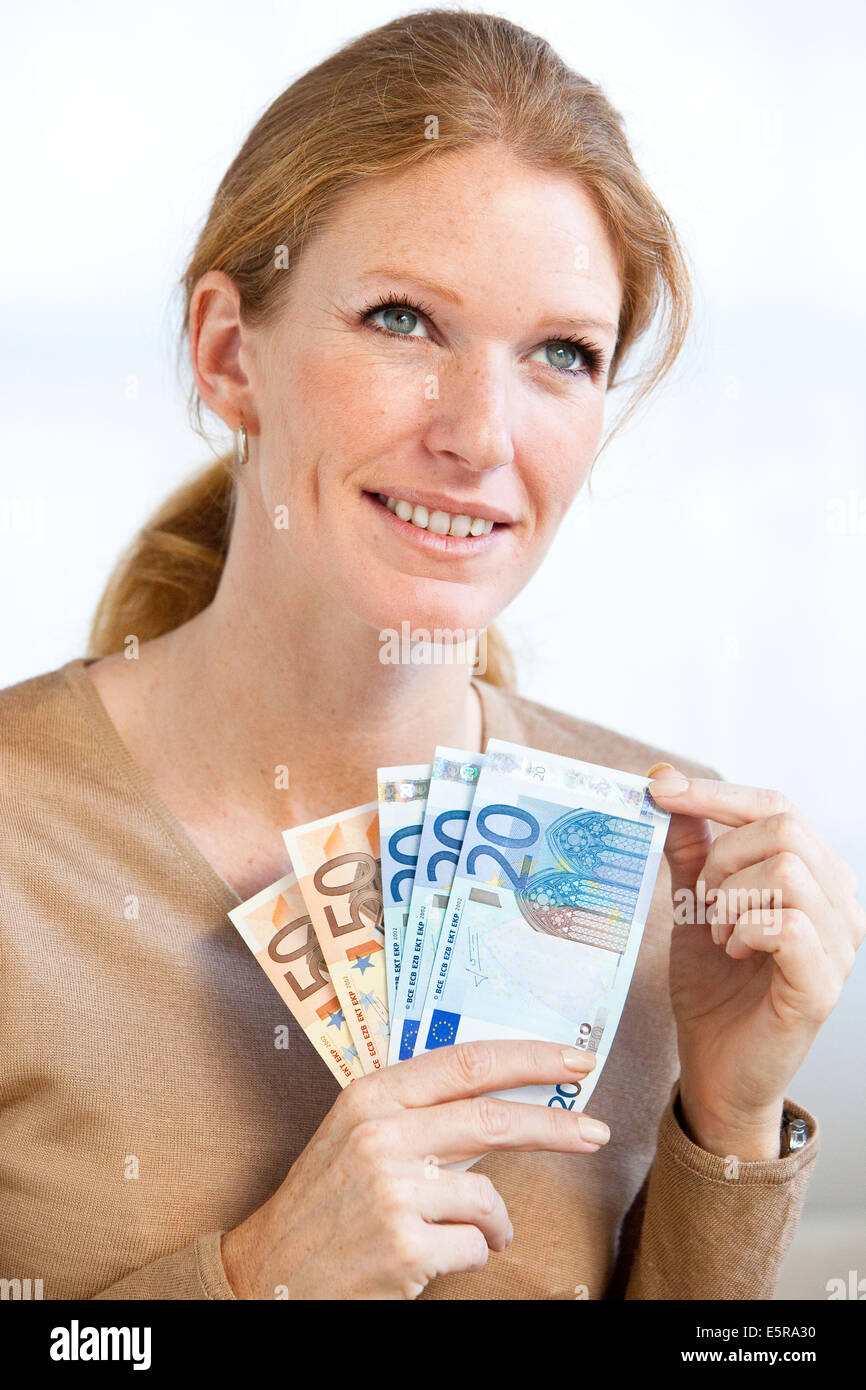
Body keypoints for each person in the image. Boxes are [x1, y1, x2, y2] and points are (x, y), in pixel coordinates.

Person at [1, 9, 861, 1301]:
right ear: (229, 352)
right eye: (403, 320)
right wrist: (248, 1280)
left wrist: (722, 1128)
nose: (480, 433)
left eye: (561, 355)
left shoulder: (670, 887)